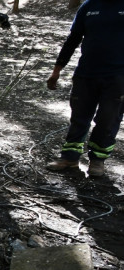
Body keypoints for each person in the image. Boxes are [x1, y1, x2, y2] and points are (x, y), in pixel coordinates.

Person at [45, 0, 124, 177]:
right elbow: (72, 39)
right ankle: (69, 158)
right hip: (86, 74)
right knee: (79, 117)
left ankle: (97, 160)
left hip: (118, 77)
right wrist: (56, 71)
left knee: (108, 120)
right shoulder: (89, 6)